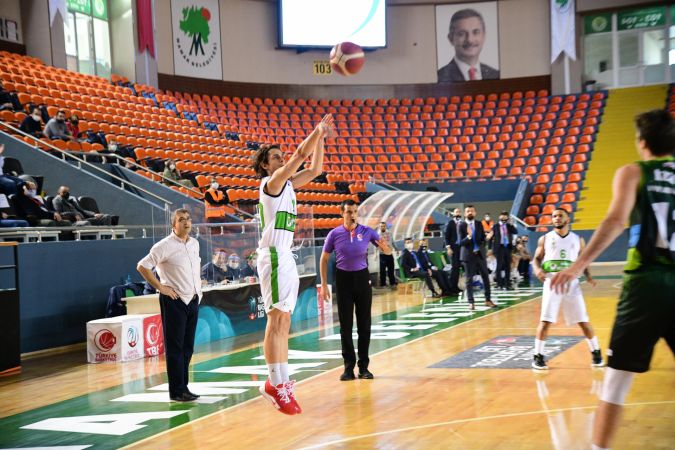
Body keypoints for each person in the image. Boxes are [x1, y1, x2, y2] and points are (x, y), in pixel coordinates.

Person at [550, 109, 674, 450]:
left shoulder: (634, 172)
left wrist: (577, 266)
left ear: (642, 142)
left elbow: (616, 219)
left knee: (616, 383)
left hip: (646, 283)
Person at [253, 113, 334, 415]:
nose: (281, 159)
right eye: (275, 157)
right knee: (276, 321)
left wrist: (322, 140)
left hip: (285, 256)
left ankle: (282, 382)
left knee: (283, 322)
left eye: (280, 156)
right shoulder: (271, 182)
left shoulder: (287, 186)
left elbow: (315, 168)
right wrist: (317, 131)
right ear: (265, 165)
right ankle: (275, 383)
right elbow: (301, 156)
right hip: (273, 254)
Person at [320, 199, 392, 382]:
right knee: (345, 327)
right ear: (342, 213)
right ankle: (348, 369)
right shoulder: (334, 234)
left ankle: (364, 368)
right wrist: (323, 286)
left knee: (364, 325)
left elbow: (388, 252)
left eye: (354, 211)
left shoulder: (367, 231)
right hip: (343, 280)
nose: (352, 215)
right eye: (349, 212)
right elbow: (324, 259)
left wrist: (385, 247)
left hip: (362, 278)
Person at [137, 209, 202, 402]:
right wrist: (160, 287)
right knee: (175, 348)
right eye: (181, 220)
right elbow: (142, 266)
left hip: (193, 299)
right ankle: (176, 391)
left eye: (188, 219)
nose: (186, 223)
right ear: (173, 225)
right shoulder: (164, 246)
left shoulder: (195, 243)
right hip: (174, 300)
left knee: (188, 347)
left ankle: (184, 387)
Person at [531, 208, 602, 371]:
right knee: (545, 321)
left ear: (567, 219)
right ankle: (538, 356)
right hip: (551, 281)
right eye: (554, 216)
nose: (556, 219)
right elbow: (536, 259)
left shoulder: (578, 239)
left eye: (559, 216)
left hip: (572, 283)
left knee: (583, 320)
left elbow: (583, 261)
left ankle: (596, 353)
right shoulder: (545, 238)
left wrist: (588, 275)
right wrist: (537, 269)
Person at [437, 8, 500, 82]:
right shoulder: (440, 77)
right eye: (461, 34)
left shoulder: (496, 75)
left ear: (484, 36)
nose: (470, 40)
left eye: (476, 32)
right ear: (451, 39)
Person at [459, 204, 496, 310]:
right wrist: (469, 236)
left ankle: (488, 299)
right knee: (469, 279)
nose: (470, 212)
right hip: (467, 256)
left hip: (480, 255)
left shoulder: (479, 224)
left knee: (486, 277)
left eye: (472, 211)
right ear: (465, 213)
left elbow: (481, 239)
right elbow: (461, 242)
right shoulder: (461, 225)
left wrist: (487, 238)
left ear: (475, 213)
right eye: (468, 211)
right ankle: (471, 302)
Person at [492, 211, 518, 290]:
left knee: (507, 265)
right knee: (499, 266)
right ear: (499, 217)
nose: (503, 217)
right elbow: (491, 237)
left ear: (507, 217)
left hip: (507, 247)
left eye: (505, 216)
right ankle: (499, 283)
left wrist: (512, 224)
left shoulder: (509, 226)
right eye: (502, 215)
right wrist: (491, 248)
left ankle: (507, 284)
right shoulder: (495, 226)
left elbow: (515, 232)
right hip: (499, 247)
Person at [443, 207, 463, 294]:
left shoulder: (462, 223)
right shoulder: (450, 223)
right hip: (453, 249)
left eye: (459, 212)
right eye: (456, 212)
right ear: (453, 214)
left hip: (460, 248)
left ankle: (456, 286)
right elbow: (446, 237)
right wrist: (448, 248)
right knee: (454, 267)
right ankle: (451, 287)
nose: (458, 213)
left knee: (458, 268)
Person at [377, 221, 397, 288]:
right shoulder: (377, 235)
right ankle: (383, 284)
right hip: (382, 254)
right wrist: (376, 253)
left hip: (390, 254)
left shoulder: (390, 234)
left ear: (386, 226)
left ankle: (392, 283)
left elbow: (393, 242)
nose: (382, 227)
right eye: (381, 226)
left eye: (383, 226)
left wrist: (396, 249)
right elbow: (376, 245)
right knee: (382, 270)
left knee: (391, 269)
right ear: (379, 227)